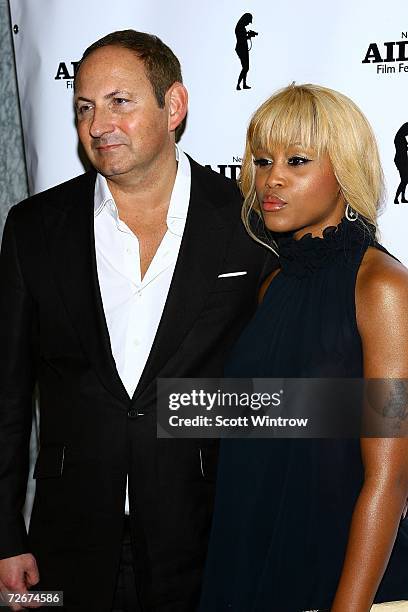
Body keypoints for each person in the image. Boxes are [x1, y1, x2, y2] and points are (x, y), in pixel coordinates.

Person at [0, 30, 267, 612]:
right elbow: (8, 397)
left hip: (208, 538)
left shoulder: (248, 226)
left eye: (119, 101)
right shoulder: (34, 228)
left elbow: (280, 384)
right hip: (61, 549)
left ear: (174, 107)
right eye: (84, 107)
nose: (97, 125)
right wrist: (4, 540)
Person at [199, 84, 408, 611]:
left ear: (345, 170)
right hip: (256, 573)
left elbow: (390, 475)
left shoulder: (382, 288)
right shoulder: (273, 287)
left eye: (297, 161)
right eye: (263, 160)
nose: (271, 179)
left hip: (347, 586)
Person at [234, 13, 256, 91]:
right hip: (241, 49)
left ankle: (244, 84)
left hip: (244, 48)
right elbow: (241, 38)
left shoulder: (242, 27)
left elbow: (243, 36)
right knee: (245, 68)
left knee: (246, 68)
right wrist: (249, 36)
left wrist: (249, 35)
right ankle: (238, 84)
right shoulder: (239, 27)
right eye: (248, 21)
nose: (248, 23)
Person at [394, 122, 408, 204]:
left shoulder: (401, 137)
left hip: (403, 160)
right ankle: (396, 198)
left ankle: (402, 197)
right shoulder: (399, 138)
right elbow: (403, 149)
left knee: (405, 180)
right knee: (404, 180)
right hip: (401, 160)